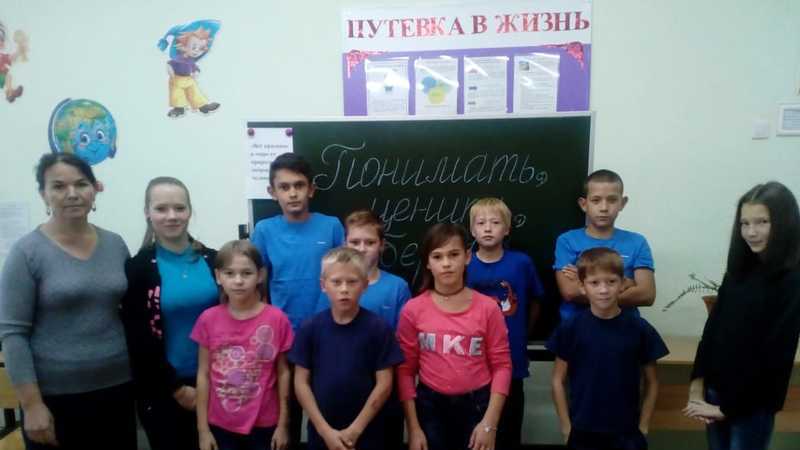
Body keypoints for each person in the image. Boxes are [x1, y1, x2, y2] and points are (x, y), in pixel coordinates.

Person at [0, 153, 136, 449]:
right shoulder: (26, 253)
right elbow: (13, 335)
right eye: (59, 186)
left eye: (81, 184)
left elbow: (129, 311)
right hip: (54, 399)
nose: (72, 194)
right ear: (43, 194)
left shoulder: (115, 243)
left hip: (118, 389)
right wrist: (31, 405)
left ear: (94, 190)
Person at [684, 181, 800, 450]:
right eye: (744, 223)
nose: (751, 232)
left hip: (751, 405)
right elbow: (713, 330)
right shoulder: (739, 271)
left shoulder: (792, 279)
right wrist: (697, 385)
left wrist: (728, 408)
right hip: (715, 394)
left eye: (762, 222)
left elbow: (776, 354)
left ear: (784, 223)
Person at [251, 152, 344, 448]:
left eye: (299, 185)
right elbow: (258, 282)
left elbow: (344, 275)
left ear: (311, 189)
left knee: (328, 414)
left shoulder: (331, 226)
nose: (292, 193)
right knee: (286, 417)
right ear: (272, 192)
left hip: (328, 335)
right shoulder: (264, 230)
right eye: (284, 187)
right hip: (283, 338)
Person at [120, 176, 219, 450]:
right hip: (164, 390)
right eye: (161, 208)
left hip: (218, 385)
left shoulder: (214, 260)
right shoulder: (138, 269)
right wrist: (176, 388)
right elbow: (138, 338)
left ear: (190, 211)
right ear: (147, 213)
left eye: (179, 208)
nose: (172, 216)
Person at [397, 223, 512, 450]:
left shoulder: (488, 308)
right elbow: (405, 371)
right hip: (430, 407)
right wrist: (413, 428)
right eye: (437, 257)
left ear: (467, 257)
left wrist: (489, 423)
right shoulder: (413, 310)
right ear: (428, 262)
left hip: (478, 407)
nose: (446, 263)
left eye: (454, 255)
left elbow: (502, 366)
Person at [547, 247, 668, 450]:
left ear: (622, 285)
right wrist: (567, 428)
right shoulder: (571, 328)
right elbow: (557, 380)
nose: (603, 290)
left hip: (627, 432)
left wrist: (644, 425)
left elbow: (652, 381)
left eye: (611, 282)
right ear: (582, 287)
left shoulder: (640, 329)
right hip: (582, 431)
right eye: (594, 283)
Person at [291, 247, 403, 450]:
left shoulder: (379, 329)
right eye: (336, 282)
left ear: (365, 285)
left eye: (352, 282)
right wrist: (325, 431)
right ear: (323, 285)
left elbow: (385, 383)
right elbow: (300, 382)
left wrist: (355, 430)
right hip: (322, 435)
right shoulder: (310, 329)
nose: (344, 289)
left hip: (368, 434)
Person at [316, 209, 410, 450]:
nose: (362, 248)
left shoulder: (397, 287)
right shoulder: (331, 288)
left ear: (382, 245)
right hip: (339, 393)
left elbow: (403, 340)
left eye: (369, 242)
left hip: (383, 391)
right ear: (344, 243)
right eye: (354, 242)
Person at [192, 240, 293, 450]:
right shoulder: (207, 319)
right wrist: (203, 430)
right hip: (221, 425)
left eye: (246, 273)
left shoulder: (277, 319)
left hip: (265, 423)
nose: (238, 281)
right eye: (230, 273)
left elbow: (283, 373)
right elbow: (203, 374)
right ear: (218, 276)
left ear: (260, 275)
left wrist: (283, 425)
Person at [466, 198, 544, 450]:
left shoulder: (521, 263)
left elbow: (535, 300)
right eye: (481, 223)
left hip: (512, 359)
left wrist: (524, 334)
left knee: (508, 430)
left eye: (495, 222)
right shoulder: (464, 263)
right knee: (472, 434)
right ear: (472, 230)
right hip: (471, 362)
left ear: (507, 228)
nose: (488, 228)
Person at [554, 169, 656, 321]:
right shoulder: (567, 240)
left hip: (624, 328)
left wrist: (586, 281)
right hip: (577, 328)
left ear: (622, 203)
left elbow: (647, 295)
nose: (604, 208)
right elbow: (570, 292)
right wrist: (627, 283)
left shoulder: (637, 242)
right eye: (596, 200)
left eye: (612, 200)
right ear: (584, 204)